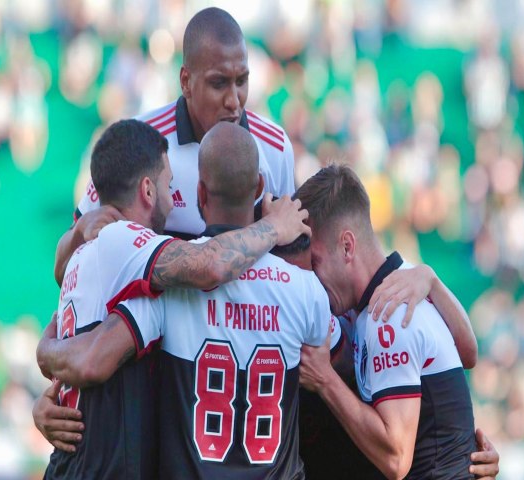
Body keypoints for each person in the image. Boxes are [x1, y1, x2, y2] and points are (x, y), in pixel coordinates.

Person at [37, 122, 342, 479]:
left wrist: (46, 353)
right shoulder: (304, 290)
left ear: (200, 194)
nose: (172, 197)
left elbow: (89, 353)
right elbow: (211, 265)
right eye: (169, 185)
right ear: (260, 187)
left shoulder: (153, 287)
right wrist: (276, 229)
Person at [53, 7, 295, 285]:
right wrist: (81, 232)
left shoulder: (275, 147)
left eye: (241, 81)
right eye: (219, 83)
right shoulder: (139, 141)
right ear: (185, 82)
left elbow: (291, 261)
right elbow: (64, 269)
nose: (234, 100)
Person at [296, 164, 482, 479]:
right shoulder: (406, 279)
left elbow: (396, 460)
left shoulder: (388, 314)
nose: (311, 277)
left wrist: (325, 380)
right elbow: (468, 355)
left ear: (347, 246)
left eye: (315, 262)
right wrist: (432, 280)